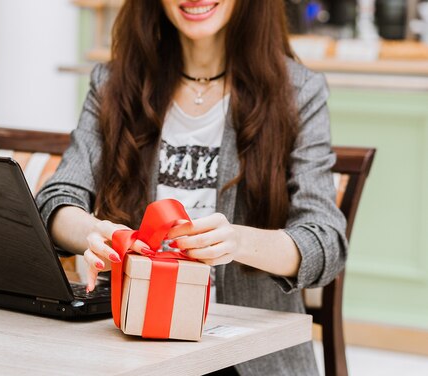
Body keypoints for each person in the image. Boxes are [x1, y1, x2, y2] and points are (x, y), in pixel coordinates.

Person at [36, 0, 347, 374]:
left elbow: (325, 242)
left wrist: (237, 242)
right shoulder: (114, 83)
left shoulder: (298, 91)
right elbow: (55, 201)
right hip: (131, 346)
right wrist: (95, 232)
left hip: (243, 357)